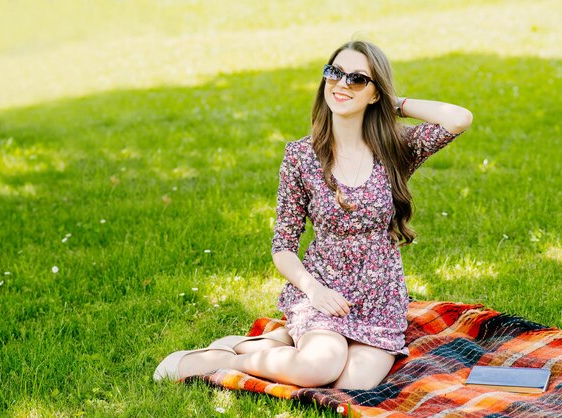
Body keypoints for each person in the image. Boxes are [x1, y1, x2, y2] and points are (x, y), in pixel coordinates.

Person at [154, 40, 473, 390]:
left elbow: (459, 119)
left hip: (379, 299)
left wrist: (391, 104)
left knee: (351, 386)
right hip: (323, 289)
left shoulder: (395, 148)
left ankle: (268, 345)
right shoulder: (301, 156)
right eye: (334, 73)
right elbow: (283, 246)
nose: (341, 84)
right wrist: (314, 290)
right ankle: (223, 359)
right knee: (319, 368)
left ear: (375, 93)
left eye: (357, 79)